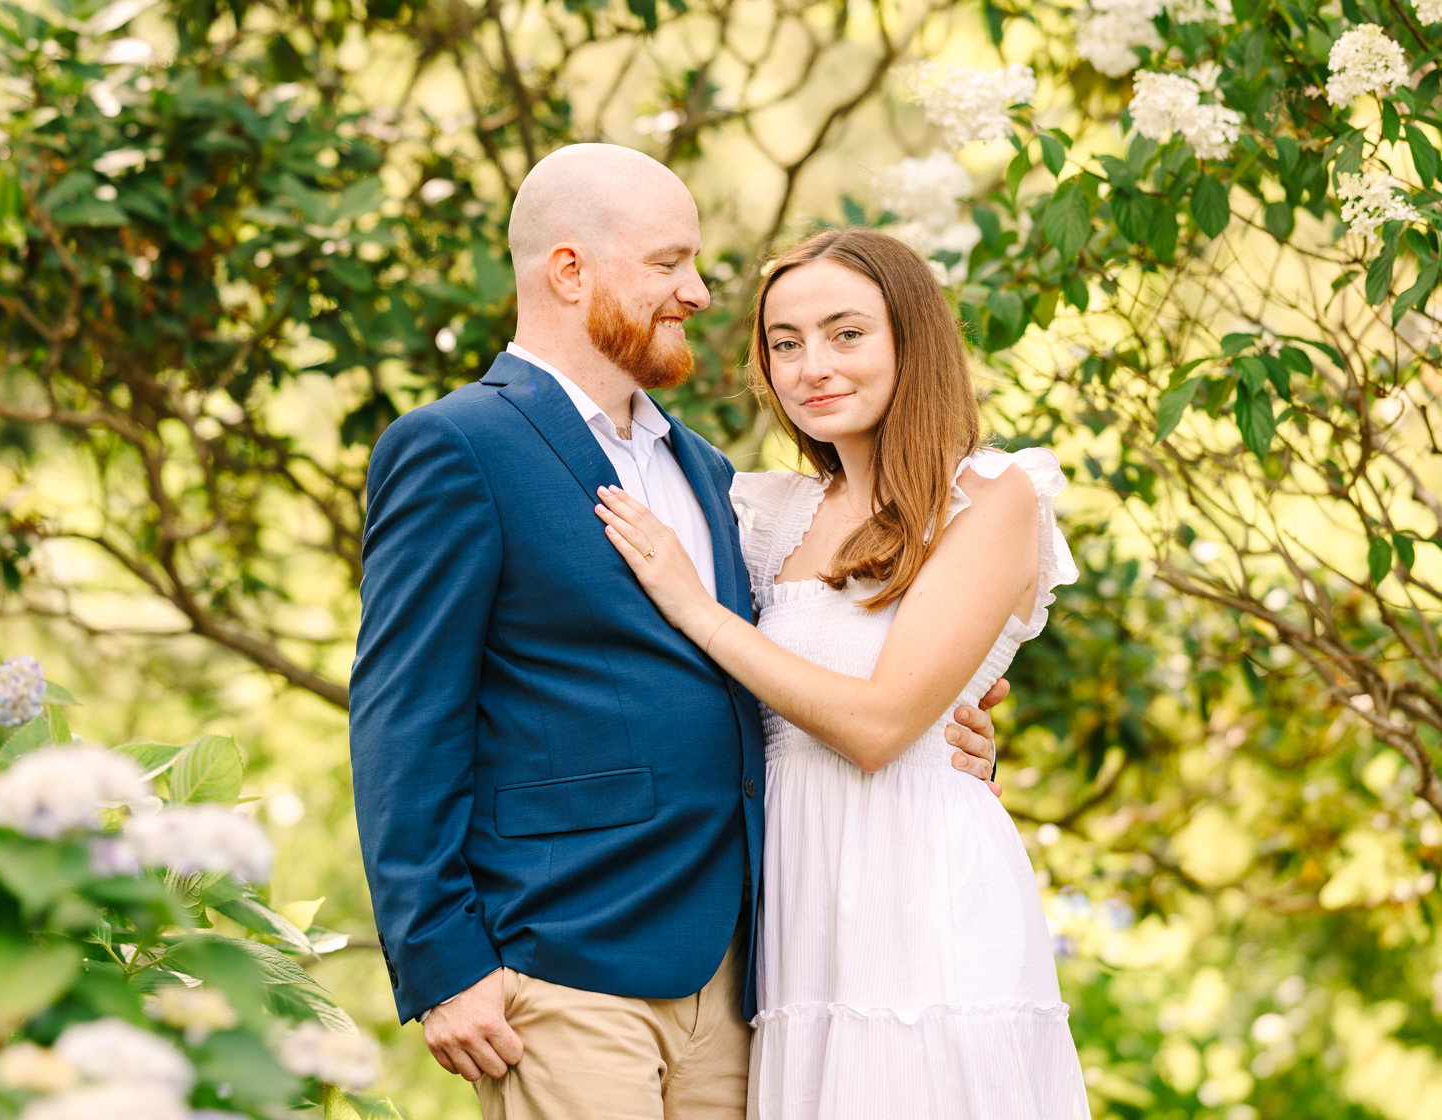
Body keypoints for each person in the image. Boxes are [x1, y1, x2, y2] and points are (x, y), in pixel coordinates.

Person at [349, 145, 1007, 1120]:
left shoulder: (707, 472)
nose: (698, 293)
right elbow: (405, 718)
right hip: (564, 960)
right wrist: (442, 961)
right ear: (568, 271)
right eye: (668, 263)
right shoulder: (457, 447)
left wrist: (951, 723)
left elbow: (789, 663)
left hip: (748, 973)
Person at [594, 228, 1091, 1119]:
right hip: (797, 904)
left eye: (845, 333)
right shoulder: (763, 513)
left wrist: (693, 605)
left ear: (912, 338)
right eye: (784, 343)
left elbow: (878, 726)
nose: (810, 365)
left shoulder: (991, 494)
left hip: (922, 889)